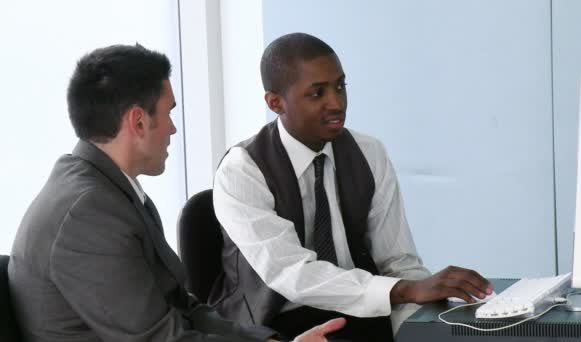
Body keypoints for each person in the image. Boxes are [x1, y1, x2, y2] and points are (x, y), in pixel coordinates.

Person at [8, 44, 345, 342]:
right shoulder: (87, 213)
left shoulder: (112, 190)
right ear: (138, 122)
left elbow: (183, 308)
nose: (173, 128)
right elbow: (159, 339)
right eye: (169, 112)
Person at [211, 33, 494, 341]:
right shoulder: (242, 169)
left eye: (340, 86)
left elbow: (399, 263)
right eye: (317, 93)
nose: (336, 103)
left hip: (362, 311)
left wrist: (419, 329)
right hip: (275, 325)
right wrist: (406, 290)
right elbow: (292, 274)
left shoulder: (368, 152)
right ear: (275, 102)